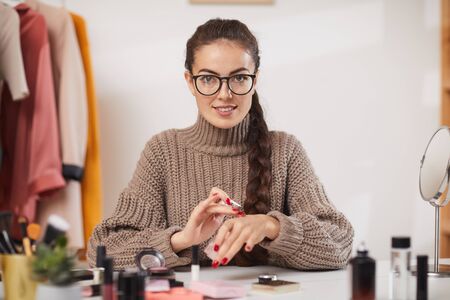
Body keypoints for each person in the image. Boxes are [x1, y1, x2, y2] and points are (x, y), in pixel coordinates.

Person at [87, 18, 354, 270]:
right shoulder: (163, 151)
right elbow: (101, 250)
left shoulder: (285, 150)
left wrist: (272, 226)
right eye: (208, 79)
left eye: (238, 78)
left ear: (255, 80)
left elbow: (340, 244)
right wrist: (181, 240)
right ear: (190, 82)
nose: (224, 94)